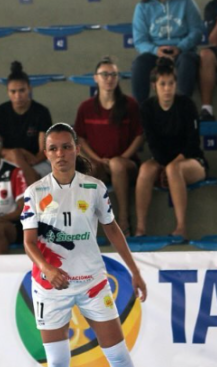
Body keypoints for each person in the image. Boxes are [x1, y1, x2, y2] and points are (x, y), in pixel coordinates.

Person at [21, 122, 168, 367]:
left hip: (92, 283)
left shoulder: (95, 188)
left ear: (76, 149)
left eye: (66, 146)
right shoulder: (35, 193)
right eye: (53, 148)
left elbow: (113, 231)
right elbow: (29, 242)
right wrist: (47, 268)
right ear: (45, 153)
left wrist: (135, 271)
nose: (60, 153)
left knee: (117, 352)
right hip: (50, 287)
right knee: (58, 361)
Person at [136, 58, 208, 239]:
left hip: (191, 160)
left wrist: (169, 168)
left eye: (171, 83)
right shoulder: (147, 108)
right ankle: (140, 228)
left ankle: (181, 227)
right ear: (154, 86)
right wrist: (162, 167)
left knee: (173, 169)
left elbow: (192, 144)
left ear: (176, 84)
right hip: (161, 160)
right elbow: (152, 143)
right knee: (145, 169)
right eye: (162, 84)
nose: (167, 88)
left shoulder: (187, 105)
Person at [73, 57, 144, 235]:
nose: (109, 78)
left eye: (113, 74)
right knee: (87, 169)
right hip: (99, 162)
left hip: (126, 164)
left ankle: (123, 220)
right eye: (104, 74)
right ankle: (86, 225)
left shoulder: (130, 105)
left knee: (117, 165)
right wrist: (97, 159)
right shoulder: (86, 107)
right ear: (95, 78)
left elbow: (139, 136)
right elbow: (80, 138)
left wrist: (123, 157)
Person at [0, 61, 53, 185]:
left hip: (37, 162)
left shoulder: (41, 112)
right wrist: (19, 154)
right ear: (7, 92)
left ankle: (25, 201)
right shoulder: (0, 112)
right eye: (13, 92)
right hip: (8, 159)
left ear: (29, 89)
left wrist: (32, 161)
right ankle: (30, 201)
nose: (17, 96)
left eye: (22, 91)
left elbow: (44, 150)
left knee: (22, 175)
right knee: (15, 155)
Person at [131, 0, 204, 104]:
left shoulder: (186, 3)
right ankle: (140, 112)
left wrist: (180, 47)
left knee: (187, 61)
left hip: (182, 51)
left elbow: (197, 31)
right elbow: (139, 40)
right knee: (139, 64)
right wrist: (155, 50)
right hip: (155, 52)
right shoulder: (142, 7)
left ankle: (183, 108)